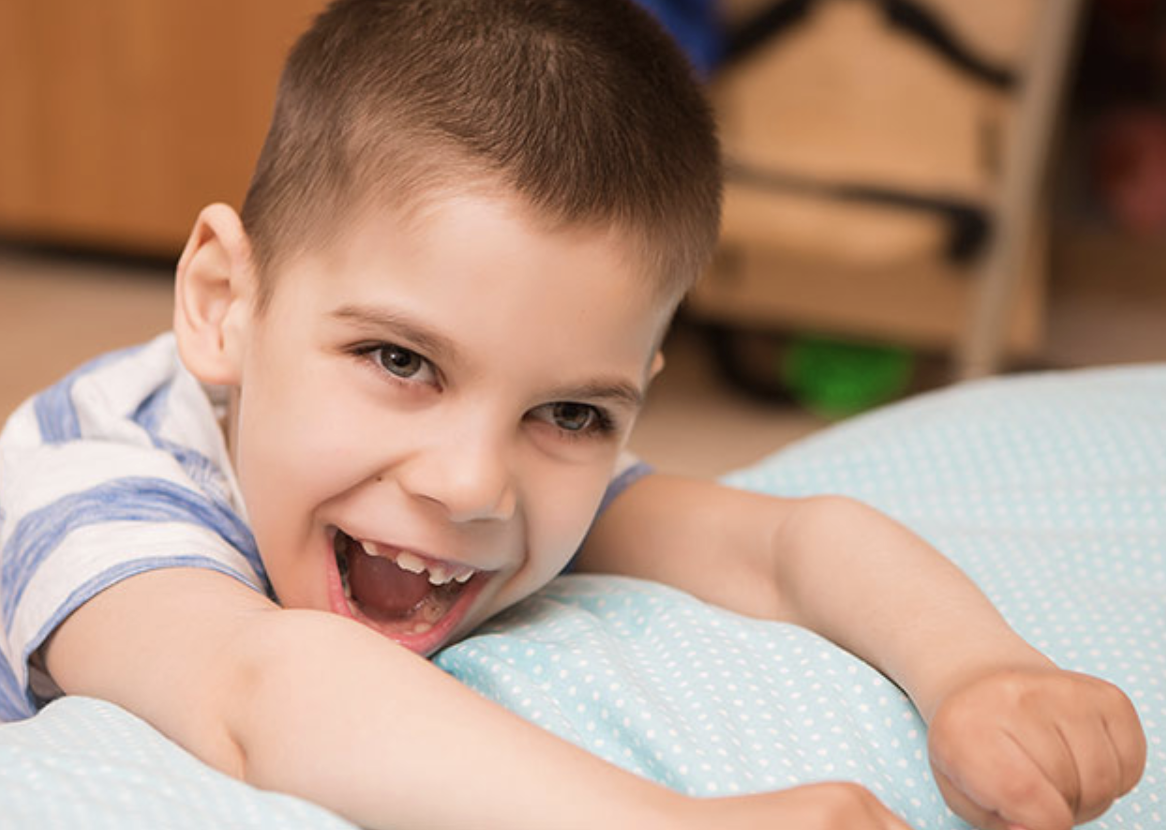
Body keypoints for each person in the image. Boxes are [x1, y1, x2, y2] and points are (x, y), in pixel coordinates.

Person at [0, 1, 1145, 828]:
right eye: (399, 358)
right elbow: (262, 690)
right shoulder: (85, 486)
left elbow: (781, 546)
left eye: (570, 411)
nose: (470, 484)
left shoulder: (524, 473)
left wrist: (977, 669)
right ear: (223, 304)